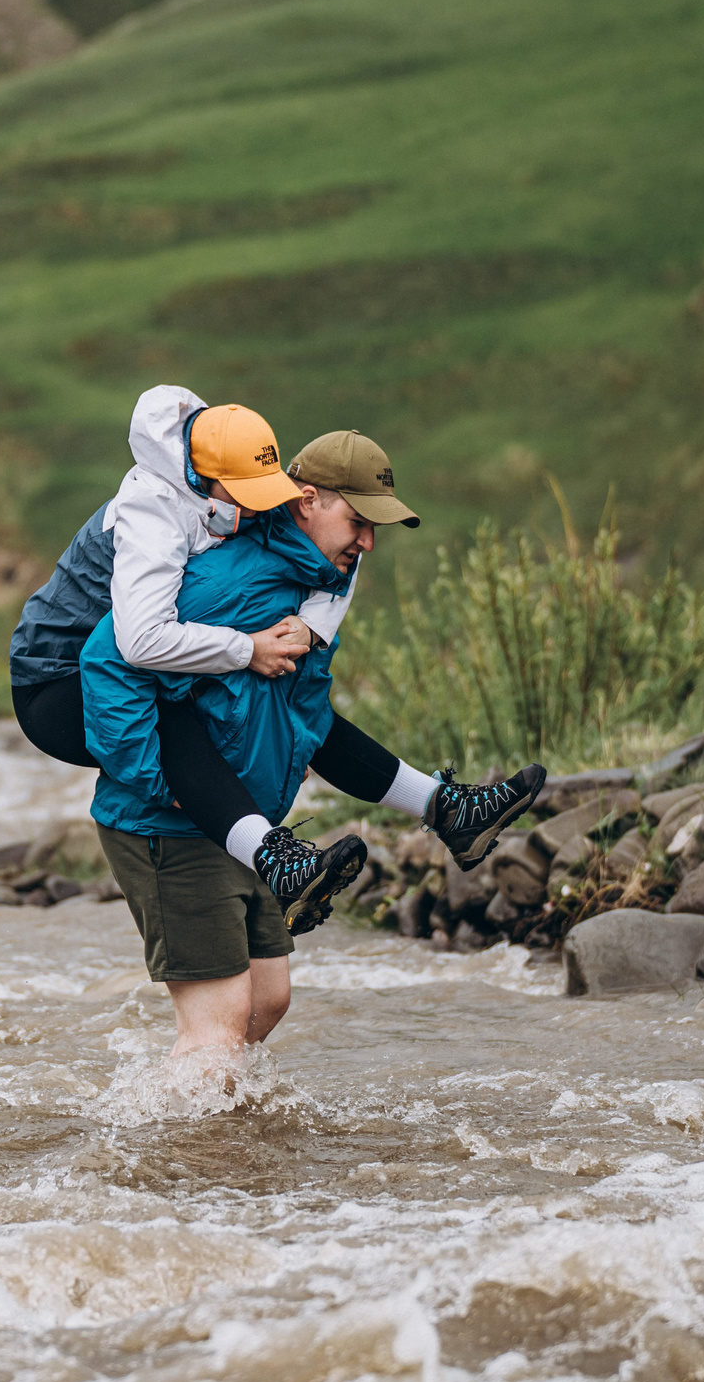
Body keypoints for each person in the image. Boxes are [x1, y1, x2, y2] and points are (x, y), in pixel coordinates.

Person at [79, 430, 548, 1058]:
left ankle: (197, 1129)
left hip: (245, 826)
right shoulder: (229, 580)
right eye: (358, 521)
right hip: (171, 825)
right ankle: (170, 1149)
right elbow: (108, 660)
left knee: (267, 1003)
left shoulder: (311, 589)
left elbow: (309, 721)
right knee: (218, 1025)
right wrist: (161, 783)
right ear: (306, 501)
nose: (368, 541)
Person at [9, 387, 373, 932]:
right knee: (174, 720)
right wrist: (247, 650)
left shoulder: (238, 476)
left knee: (293, 710)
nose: (259, 503)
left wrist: (315, 624)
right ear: (205, 474)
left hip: (131, 666)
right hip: (55, 682)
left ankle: (438, 808)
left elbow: (328, 544)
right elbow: (139, 643)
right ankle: (276, 860)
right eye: (247, 492)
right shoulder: (151, 512)